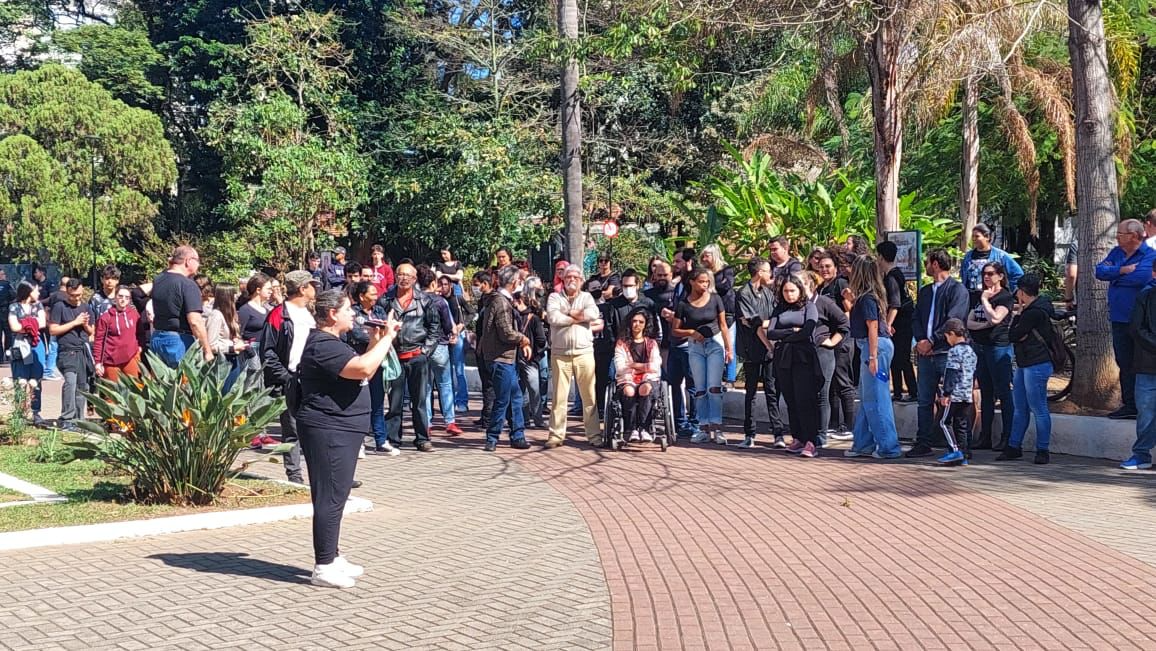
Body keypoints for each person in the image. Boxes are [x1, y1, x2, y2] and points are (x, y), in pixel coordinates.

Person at [296, 289, 399, 588]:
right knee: (330, 496)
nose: (353, 314)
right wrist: (389, 338)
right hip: (329, 429)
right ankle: (323, 565)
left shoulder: (333, 344)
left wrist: (375, 340)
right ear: (332, 314)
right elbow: (364, 368)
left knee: (337, 495)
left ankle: (333, 554)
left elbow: (361, 367)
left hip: (343, 427)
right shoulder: (323, 345)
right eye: (348, 310)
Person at [909, 248, 969, 458]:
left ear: (935, 264)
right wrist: (920, 341)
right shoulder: (925, 291)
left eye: (927, 262)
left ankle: (960, 445)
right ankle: (923, 441)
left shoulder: (957, 290)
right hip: (926, 356)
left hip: (946, 353)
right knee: (924, 400)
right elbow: (916, 317)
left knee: (954, 398)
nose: (925, 265)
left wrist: (933, 340)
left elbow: (954, 319)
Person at [261, 270, 320, 483]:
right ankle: (295, 475)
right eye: (312, 285)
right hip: (290, 381)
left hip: (312, 380)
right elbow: (267, 352)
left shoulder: (310, 314)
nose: (316, 289)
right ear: (303, 288)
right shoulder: (279, 315)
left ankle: (326, 474)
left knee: (318, 430)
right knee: (293, 430)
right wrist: (286, 377)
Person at [1095, 218, 1156, 419]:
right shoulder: (1117, 253)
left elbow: (1141, 277)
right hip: (1119, 318)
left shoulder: (1149, 255)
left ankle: (1145, 406)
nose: (1117, 237)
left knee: (1143, 363)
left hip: (1141, 322)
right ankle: (1129, 404)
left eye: (1121, 234)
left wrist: (1114, 277)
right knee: (1124, 361)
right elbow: (1099, 271)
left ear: (1134, 236)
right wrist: (1121, 270)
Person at [843, 257, 904, 459]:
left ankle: (889, 447)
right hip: (871, 346)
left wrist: (872, 356)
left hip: (874, 346)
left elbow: (873, 326)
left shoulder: (868, 297)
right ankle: (862, 443)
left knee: (877, 398)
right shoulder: (869, 296)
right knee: (867, 397)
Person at [379, 262, 440, 452]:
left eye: (408, 275)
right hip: (395, 357)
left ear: (414, 279)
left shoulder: (425, 300)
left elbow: (434, 328)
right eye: (400, 274)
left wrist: (425, 351)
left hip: (417, 356)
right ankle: (393, 439)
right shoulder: (386, 299)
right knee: (394, 401)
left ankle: (422, 438)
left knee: (420, 400)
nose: (403, 278)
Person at [997, 273, 1055, 464]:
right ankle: (1014, 446)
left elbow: (1013, 335)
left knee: (1038, 408)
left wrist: (1018, 316)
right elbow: (1017, 335)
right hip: (1025, 363)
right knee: (1020, 407)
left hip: (1036, 363)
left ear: (1022, 292)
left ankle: (1042, 449)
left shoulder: (1033, 313)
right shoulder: (1042, 306)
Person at [544, 264, 603, 449]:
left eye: (575, 278)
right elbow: (553, 318)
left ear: (581, 281)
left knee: (589, 398)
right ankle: (555, 435)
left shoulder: (586, 297)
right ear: (563, 279)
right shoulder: (554, 297)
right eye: (568, 277)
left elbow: (593, 314)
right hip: (560, 354)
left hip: (584, 352)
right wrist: (577, 317)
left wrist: (568, 313)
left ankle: (594, 436)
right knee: (559, 398)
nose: (571, 280)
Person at [478, 265, 534, 451]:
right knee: (503, 399)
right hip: (500, 357)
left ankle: (517, 435)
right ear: (513, 282)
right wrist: (523, 339)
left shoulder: (500, 300)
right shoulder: (501, 302)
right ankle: (492, 437)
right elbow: (506, 332)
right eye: (519, 281)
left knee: (515, 396)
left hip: (505, 358)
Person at [674, 268, 732, 445]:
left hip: (714, 343)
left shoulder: (715, 299)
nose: (705, 285)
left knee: (714, 387)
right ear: (692, 282)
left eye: (707, 282)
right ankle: (703, 426)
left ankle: (717, 427)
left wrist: (729, 349)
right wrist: (691, 332)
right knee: (699, 389)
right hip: (695, 346)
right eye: (701, 281)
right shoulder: (684, 303)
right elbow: (675, 330)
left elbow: (723, 325)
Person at [763, 274, 820, 457]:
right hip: (784, 358)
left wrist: (787, 336)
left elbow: (807, 331)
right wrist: (790, 332)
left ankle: (811, 440)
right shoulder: (779, 308)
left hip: (803, 357)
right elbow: (771, 332)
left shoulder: (809, 307)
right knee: (790, 398)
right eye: (786, 291)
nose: (789, 294)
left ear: (800, 290)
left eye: (792, 290)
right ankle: (798, 438)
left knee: (805, 398)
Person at [735, 256, 784, 449]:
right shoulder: (744, 293)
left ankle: (778, 434)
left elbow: (774, 318)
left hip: (769, 350)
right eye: (767, 270)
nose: (770, 274)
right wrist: (769, 345)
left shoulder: (768, 293)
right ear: (759, 272)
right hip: (752, 349)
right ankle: (749, 433)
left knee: (772, 391)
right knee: (751, 392)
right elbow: (753, 324)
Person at [966, 261, 1015, 451]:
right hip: (981, 347)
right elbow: (969, 322)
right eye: (984, 274)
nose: (986, 277)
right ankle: (985, 436)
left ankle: (1007, 437)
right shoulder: (980, 296)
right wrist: (985, 324)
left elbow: (996, 319)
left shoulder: (1005, 297)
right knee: (986, 393)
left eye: (991, 273)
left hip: (998, 348)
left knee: (1003, 392)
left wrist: (986, 301)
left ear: (1001, 276)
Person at [342, 281, 395, 456]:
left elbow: (387, 330)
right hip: (357, 362)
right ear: (362, 296)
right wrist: (376, 335)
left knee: (378, 402)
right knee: (359, 404)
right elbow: (356, 334)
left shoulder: (379, 310)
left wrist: (380, 334)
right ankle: (360, 442)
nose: (375, 296)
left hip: (377, 363)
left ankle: (381, 440)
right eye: (372, 293)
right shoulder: (354, 312)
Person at [807, 270, 852, 447]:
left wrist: (833, 341)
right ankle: (808, 432)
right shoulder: (800, 305)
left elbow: (844, 323)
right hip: (805, 352)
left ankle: (822, 434)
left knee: (822, 393)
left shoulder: (824, 302)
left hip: (823, 352)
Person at [815, 252, 856, 441]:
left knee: (843, 381)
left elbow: (849, 309)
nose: (824, 269)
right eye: (821, 266)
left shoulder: (840, 284)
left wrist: (840, 333)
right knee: (830, 384)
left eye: (828, 266)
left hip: (842, 340)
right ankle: (834, 424)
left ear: (836, 268)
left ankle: (850, 425)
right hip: (827, 341)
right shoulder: (821, 288)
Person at [151, 246, 213, 367]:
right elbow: (195, 321)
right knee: (182, 384)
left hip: (157, 337)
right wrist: (207, 351)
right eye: (197, 260)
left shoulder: (158, 280)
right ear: (188, 261)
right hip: (179, 341)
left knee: (161, 384)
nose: (199, 265)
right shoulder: (188, 285)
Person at [1123, 258, 1156, 470]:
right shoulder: (1145, 296)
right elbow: (1136, 328)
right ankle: (1141, 454)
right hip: (1147, 364)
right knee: (1146, 411)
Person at [419, 265, 460, 435]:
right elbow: (449, 325)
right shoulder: (440, 301)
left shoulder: (416, 300)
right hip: (440, 345)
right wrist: (453, 333)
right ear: (434, 283)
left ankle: (426, 422)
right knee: (445, 384)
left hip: (422, 347)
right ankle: (449, 421)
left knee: (426, 386)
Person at [48, 279, 93, 430]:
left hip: (82, 351)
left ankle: (79, 419)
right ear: (67, 293)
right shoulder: (59, 307)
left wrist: (85, 324)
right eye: (73, 295)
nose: (76, 298)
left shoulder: (86, 306)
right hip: (67, 352)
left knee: (82, 386)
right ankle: (67, 418)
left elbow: (92, 331)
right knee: (70, 383)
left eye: (79, 294)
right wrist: (74, 322)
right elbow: (53, 330)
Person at [876, 241, 916, 401]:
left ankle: (912, 391)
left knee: (902, 358)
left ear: (881, 257)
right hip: (901, 323)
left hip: (901, 324)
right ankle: (898, 390)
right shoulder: (896, 274)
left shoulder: (892, 277)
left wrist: (887, 324)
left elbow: (895, 304)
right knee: (896, 359)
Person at [615, 307, 662, 442]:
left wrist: (636, 366)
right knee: (629, 391)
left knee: (645, 388)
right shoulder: (622, 343)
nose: (637, 324)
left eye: (641, 322)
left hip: (648, 381)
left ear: (646, 324)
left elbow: (655, 366)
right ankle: (631, 429)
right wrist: (645, 367)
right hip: (627, 380)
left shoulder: (652, 344)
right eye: (634, 321)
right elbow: (620, 367)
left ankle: (644, 428)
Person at [936, 319, 978, 466]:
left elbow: (951, 373)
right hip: (967, 394)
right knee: (961, 424)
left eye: (947, 337)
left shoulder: (954, 351)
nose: (947, 340)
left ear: (952, 334)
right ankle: (965, 453)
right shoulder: (971, 351)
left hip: (955, 394)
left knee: (943, 422)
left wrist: (946, 393)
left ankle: (955, 450)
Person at [8, 282, 47, 426]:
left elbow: (42, 323)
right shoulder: (14, 307)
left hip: (36, 345)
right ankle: (20, 412)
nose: (38, 292)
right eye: (36, 290)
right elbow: (14, 326)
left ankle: (36, 412)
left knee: (36, 379)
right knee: (20, 380)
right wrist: (30, 324)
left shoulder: (38, 306)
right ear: (28, 291)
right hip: (20, 346)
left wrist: (24, 323)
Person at [700, 244, 737, 386]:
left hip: (727, 311)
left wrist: (710, 285)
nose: (704, 259)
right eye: (703, 256)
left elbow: (727, 285)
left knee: (729, 343)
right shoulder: (702, 272)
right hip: (710, 312)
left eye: (707, 256)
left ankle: (730, 378)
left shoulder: (726, 270)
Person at [960, 224, 1024, 306]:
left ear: (987, 237)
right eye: (973, 236)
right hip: (971, 299)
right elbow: (963, 275)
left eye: (977, 236)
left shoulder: (1001, 256)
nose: (973, 239)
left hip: (994, 298)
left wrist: (1009, 292)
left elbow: (1018, 274)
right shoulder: (968, 257)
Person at [93, 285, 145, 381]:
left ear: (129, 300)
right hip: (111, 361)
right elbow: (99, 340)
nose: (123, 300)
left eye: (126, 297)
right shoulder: (106, 317)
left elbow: (140, 333)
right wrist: (98, 362)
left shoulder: (134, 314)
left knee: (135, 390)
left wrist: (139, 347)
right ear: (115, 297)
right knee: (112, 394)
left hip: (131, 358)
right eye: (120, 296)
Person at [204, 286, 249, 394]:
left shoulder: (229, 314)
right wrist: (231, 347)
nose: (236, 297)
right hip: (222, 363)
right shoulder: (216, 315)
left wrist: (237, 340)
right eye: (234, 294)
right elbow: (211, 344)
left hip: (233, 359)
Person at [438, 275, 473, 413]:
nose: (443, 287)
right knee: (447, 371)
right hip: (444, 337)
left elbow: (471, 312)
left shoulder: (457, 299)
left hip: (458, 336)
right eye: (440, 284)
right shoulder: (437, 300)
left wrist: (462, 325)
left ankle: (462, 401)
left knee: (459, 369)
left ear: (450, 286)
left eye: (446, 284)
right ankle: (449, 402)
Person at [516, 287, 548, 429]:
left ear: (520, 301)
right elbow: (541, 341)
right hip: (528, 360)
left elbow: (541, 340)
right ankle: (535, 419)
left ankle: (528, 418)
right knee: (530, 390)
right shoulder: (526, 317)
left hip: (525, 359)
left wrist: (533, 354)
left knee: (528, 390)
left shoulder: (531, 318)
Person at [471, 271, 497, 428]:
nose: (475, 288)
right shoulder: (483, 300)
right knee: (486, 385)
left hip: (490, 348)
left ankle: (489, 418)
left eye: (476, 284)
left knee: (490, 385)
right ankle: (486, 415)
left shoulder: (494, 300)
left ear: (485, 284)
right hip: (481, 347)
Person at [238, 273, 272, 372]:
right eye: (268, 289)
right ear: (258, 290)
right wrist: (250, 352)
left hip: (264, 350)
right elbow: (238, 334)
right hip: (251, 351)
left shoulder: (266, 310)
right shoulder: (245, 310)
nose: (271, 292)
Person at [0, 268, 12, 363]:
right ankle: (8, 354)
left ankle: (0, 357)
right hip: (5, 311)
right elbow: (14, 296)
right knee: (8, 334)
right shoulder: (7, 285)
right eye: (3, 274)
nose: (4, 276)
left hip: (4, 311)